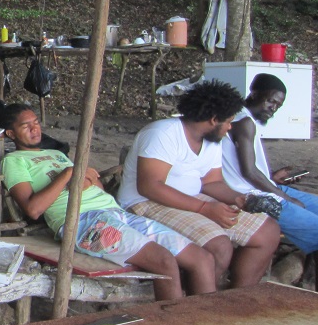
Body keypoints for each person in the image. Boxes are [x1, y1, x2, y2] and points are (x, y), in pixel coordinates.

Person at [0, 103, 215, 300]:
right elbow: (33, 209)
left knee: (201, 258)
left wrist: (80, 179)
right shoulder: (14, 161)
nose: (35, 129)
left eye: (36, 122)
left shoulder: (57, 154)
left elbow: (95, 185)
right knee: (164, 261)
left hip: (114, 211)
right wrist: (68, 175)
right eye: (26, 126)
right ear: (11, 133)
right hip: (81, 222)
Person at [117, 79, 281, 289]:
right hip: (144, 203)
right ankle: (200, 308)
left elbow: (212, 182)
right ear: (214, 119)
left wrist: (243, 199)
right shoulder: (162, 133)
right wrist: (204, 208)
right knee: (219, 246)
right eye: (229, 121)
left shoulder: (212, 140)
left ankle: (236, 299)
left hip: (191, 200)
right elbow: (150, 186)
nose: (230, 127)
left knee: (268, 232)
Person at [221, 73, 318, 254]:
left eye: (278, 106)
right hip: (254, 196)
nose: (273, 108)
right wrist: (286, 198)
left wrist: (270, 176)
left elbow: (244, 166)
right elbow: (249, 172)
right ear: (254, 93)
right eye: (270, 101)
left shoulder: (243, 118)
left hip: (266, 187)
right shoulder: (244, 122)